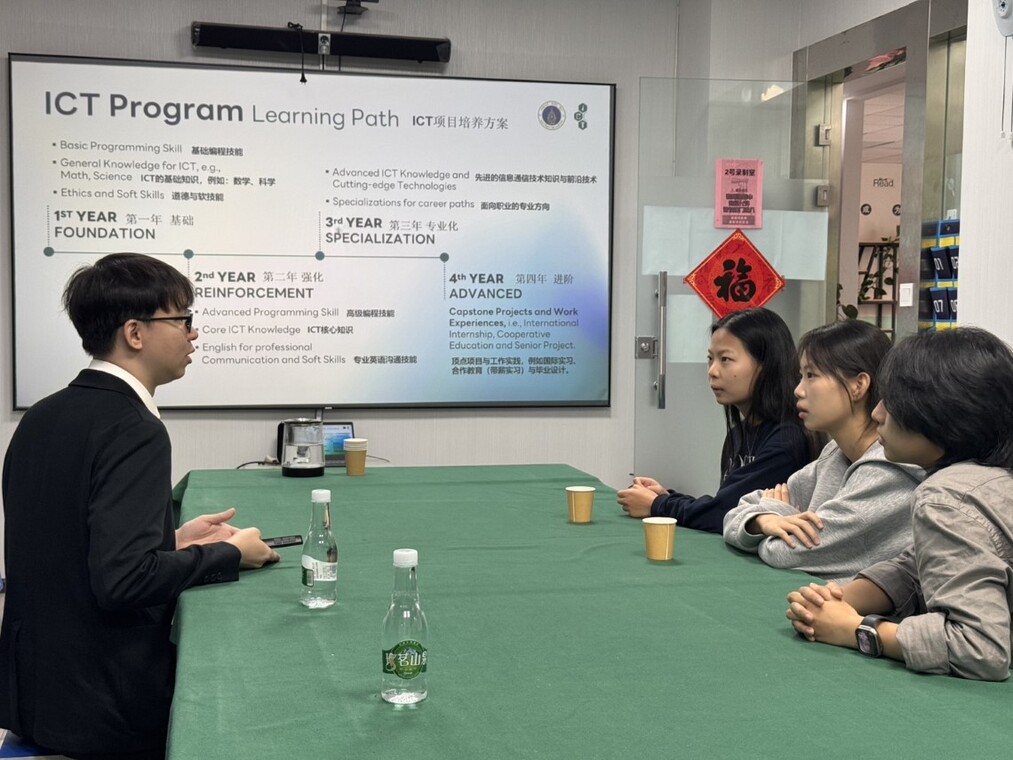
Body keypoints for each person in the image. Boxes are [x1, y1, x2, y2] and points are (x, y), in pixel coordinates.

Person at [0, 253, 280, 759]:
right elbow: (124, 582)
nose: (193, 333)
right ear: (135, 333)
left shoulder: (42, 415)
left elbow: (65, 544)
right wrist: (231, 554)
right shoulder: (134, 429)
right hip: (105, 707)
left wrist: (171, 540)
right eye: (183, 320)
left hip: (35, 697)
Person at [785, 327, 1013, 681]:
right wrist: (842, 598)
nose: (877, 413)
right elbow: (920, 566)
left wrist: (858, 630)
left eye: (892, 401)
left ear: (942, 414)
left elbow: (979, 647)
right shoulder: (987, 477)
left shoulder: (946, 496)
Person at [723, 320, 922, 581]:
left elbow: (786, 553)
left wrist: (778, 513)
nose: (798, 390)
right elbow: (737, 511)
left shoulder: (887, 472)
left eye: (811, 375)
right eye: (801, 376)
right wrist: (762, 520)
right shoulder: (835, 454)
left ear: (858, 385)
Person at [617, 308, 818, 532]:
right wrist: (666, 498)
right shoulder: (739, 433)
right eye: (710, 359)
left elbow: (726, 514)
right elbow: (725, 505)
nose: (712, 371)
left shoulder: (787, 440)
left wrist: (658, 505)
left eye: (726, 359)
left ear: (765, 366)